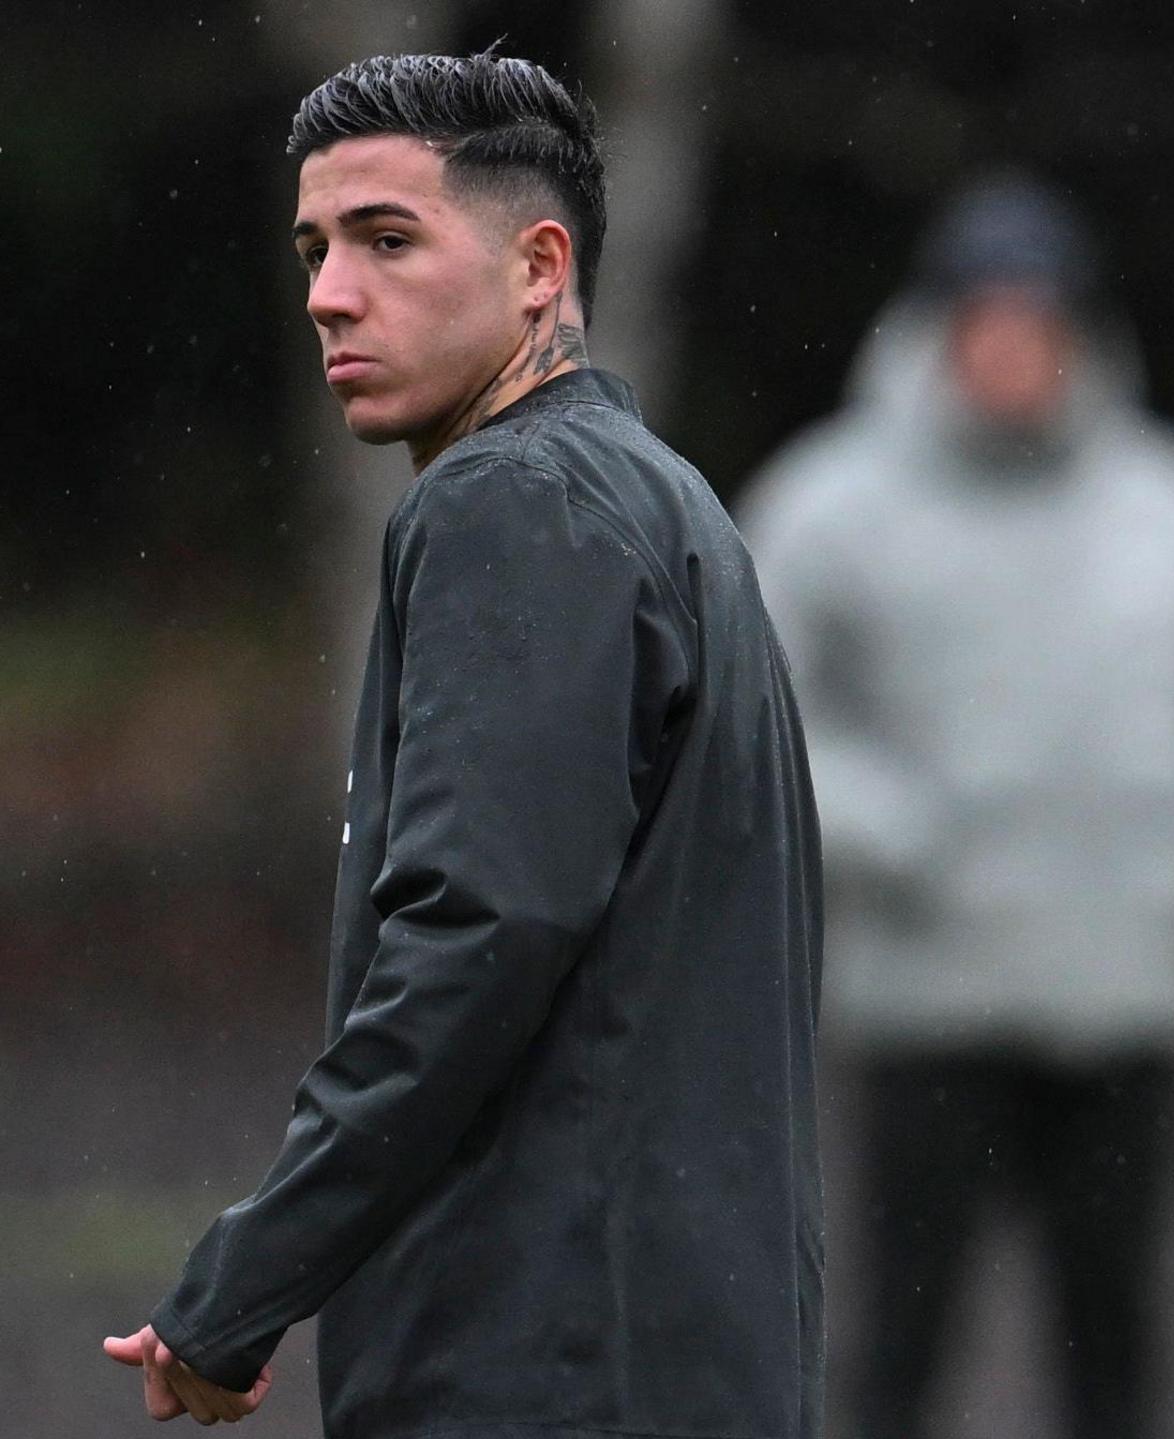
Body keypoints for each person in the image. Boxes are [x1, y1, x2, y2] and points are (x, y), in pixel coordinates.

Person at [100, 53, 825, 1435]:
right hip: (671, 1345)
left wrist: (247, 1277)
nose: (327, 291)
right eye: (314, 247)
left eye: (386, 238)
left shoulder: (515, 505)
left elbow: (474, 940)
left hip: (545, 1360)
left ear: (539, 267)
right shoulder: (661, 500)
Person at [740, 174, 1174, 1439]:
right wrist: (892, 832)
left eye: (1036, 320)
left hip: (1126, 994)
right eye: (983, 319)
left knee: (1114, 1340)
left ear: (1078, 331)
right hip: (925, 1004)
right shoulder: (830, 508)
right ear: (936, 329)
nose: (1010, 348)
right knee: (899, 1342)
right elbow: (756, 725)